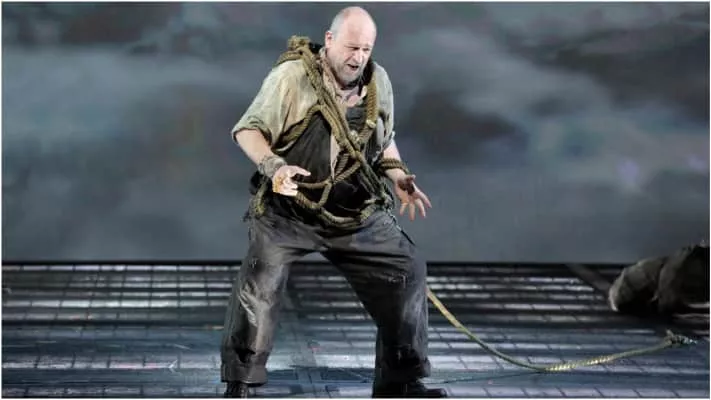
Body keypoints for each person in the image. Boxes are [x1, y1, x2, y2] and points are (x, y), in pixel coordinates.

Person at [221, 6, 447, 398]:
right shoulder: (293, 77)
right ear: (329, 40)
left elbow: (383, 139)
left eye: (366, 49)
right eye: (351, 47)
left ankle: (401, 380)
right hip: (288, 212)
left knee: (406, 269)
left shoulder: (378, 81)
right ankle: (242, 381)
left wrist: (398, 176)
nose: (358, 57)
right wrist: (275, 167)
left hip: (354, 211)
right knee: (260, 279)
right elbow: (248, 129)